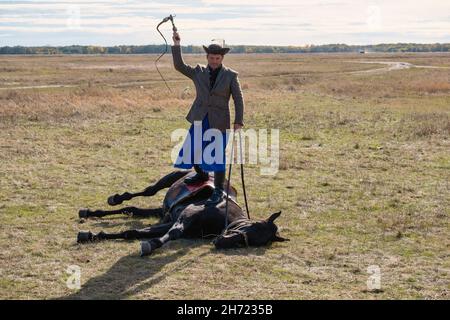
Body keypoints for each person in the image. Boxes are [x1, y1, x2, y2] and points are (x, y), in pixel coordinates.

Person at [171, 31, 244, 206]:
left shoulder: (231, 76)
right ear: (207, 57)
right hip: (199, 118)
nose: (214, 61)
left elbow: (238, 98)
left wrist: (238, 121)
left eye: (217, 58)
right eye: (212, 58)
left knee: (217, 156)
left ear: (222, 58)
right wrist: (176, 45)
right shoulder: (198, 72)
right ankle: (202, 175)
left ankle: (218, 190)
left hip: (220, 122)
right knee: (193, 150)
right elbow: (179, 66)